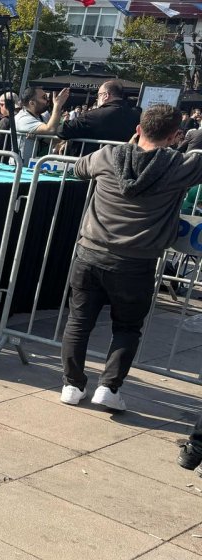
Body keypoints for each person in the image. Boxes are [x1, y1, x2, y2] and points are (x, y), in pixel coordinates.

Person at [60, 105, 202, 412]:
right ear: (175, 135)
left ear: (138, 129)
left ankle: (72, 384)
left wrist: (127, 147)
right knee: (126, 327)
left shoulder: (107, 156)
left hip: (90, 251)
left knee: (79, 321)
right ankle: (109, 387)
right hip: (136, 261)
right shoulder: (179, 167)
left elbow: (78, 168)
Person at [58, 80, 140, 155]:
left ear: (106, 95)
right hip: (122, 164)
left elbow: (62, 131)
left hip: (92, 164)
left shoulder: (93, 115)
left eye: (99, 95)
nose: (97, 99)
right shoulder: (137, 116)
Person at [14, 86, 70, 163]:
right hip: (21, 167)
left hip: (36, 166)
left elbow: (54, 138)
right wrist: (57, 105)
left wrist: (41, 137)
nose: (47, 100)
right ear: (32, 103)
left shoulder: (41, 117)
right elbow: (50, 130)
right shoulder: (23, 118)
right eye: (44, 97)